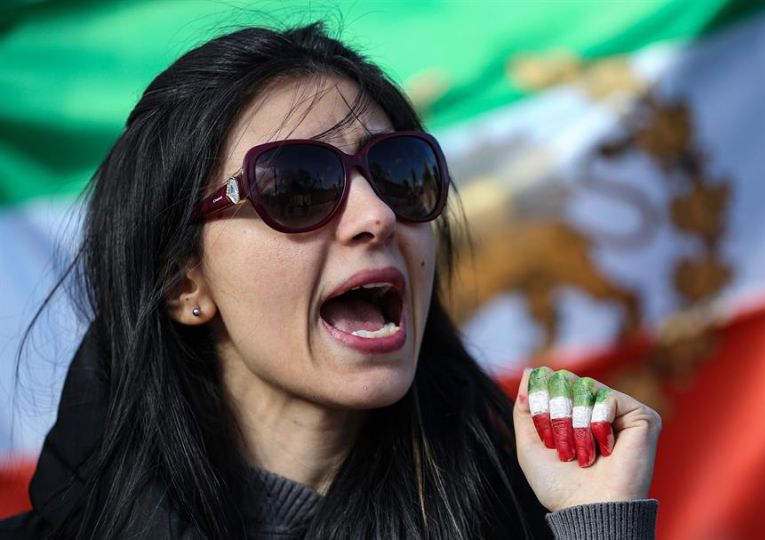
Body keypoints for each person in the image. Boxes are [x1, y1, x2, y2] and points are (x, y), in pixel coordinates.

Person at [0, 23, 660, 539]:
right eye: (297, 186)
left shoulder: (526, 520)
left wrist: (592, 524)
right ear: (183, 284)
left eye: (400, 171)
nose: (375, 215)